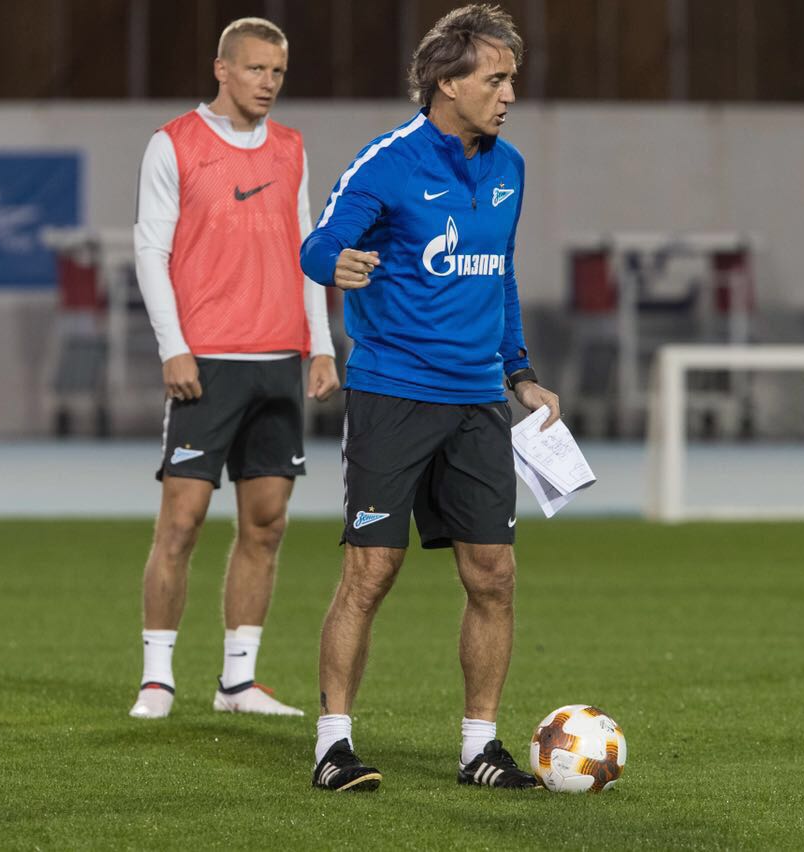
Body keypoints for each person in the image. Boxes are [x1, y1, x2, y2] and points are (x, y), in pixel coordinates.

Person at [299, 4, 561, 791]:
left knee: (495, 576)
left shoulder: (510, 169)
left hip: (479, 402)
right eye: (496, 78)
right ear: (448, 83)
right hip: (394, 394)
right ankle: (333, 747)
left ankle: (480, 749)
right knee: (370, 572)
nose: (509, 94)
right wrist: (333, 263)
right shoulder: (388, 162)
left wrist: (519, 373)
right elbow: (319, 241)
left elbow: (501, 275)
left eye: (512, 78)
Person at [128, 17, 340, 720]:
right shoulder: (174, 143)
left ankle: (238, 681)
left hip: (277, 361)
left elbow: (308, 249)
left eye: (278, 72)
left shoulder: (291, 147)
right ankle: (157, 677)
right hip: (207, 362)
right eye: (255, 69)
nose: (268, 83)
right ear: (222, 69)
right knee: (182, 522)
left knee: (267, 523)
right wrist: (172, 346)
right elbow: (150, 251)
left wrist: (319, 345)